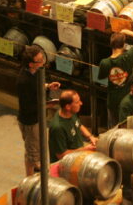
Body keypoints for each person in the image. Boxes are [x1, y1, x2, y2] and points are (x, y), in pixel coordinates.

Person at [16, 46, 61, 175]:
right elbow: (28, 107)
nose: (43, 62)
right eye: (40, 60)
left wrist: (48, 86)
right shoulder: (24, 82)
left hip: (37, 117)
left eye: (43, 59)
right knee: (32, 152)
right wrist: (47, 106)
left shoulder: (36, 72)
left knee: (37, 146)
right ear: (31, 64)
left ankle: (36, 165)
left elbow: (37, 85)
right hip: (30, 121)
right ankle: (29, 178)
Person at [98, 29, 133, 126]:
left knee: (113, 131)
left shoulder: (104, 62)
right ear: (123, 45)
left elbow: (101, 77)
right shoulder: (128, 57)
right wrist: (127, 31)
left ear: (111, 44)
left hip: (112, 101)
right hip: (127, 100)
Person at [48, 90, 98, 162]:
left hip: (78, 154)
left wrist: (90, 137)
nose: (81, 103)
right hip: (66, 164)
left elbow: (79, 125)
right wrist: (85, 149)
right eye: (77, 102)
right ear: (68, 106)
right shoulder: (58, 128)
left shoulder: (70, 112)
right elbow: (61, 155)